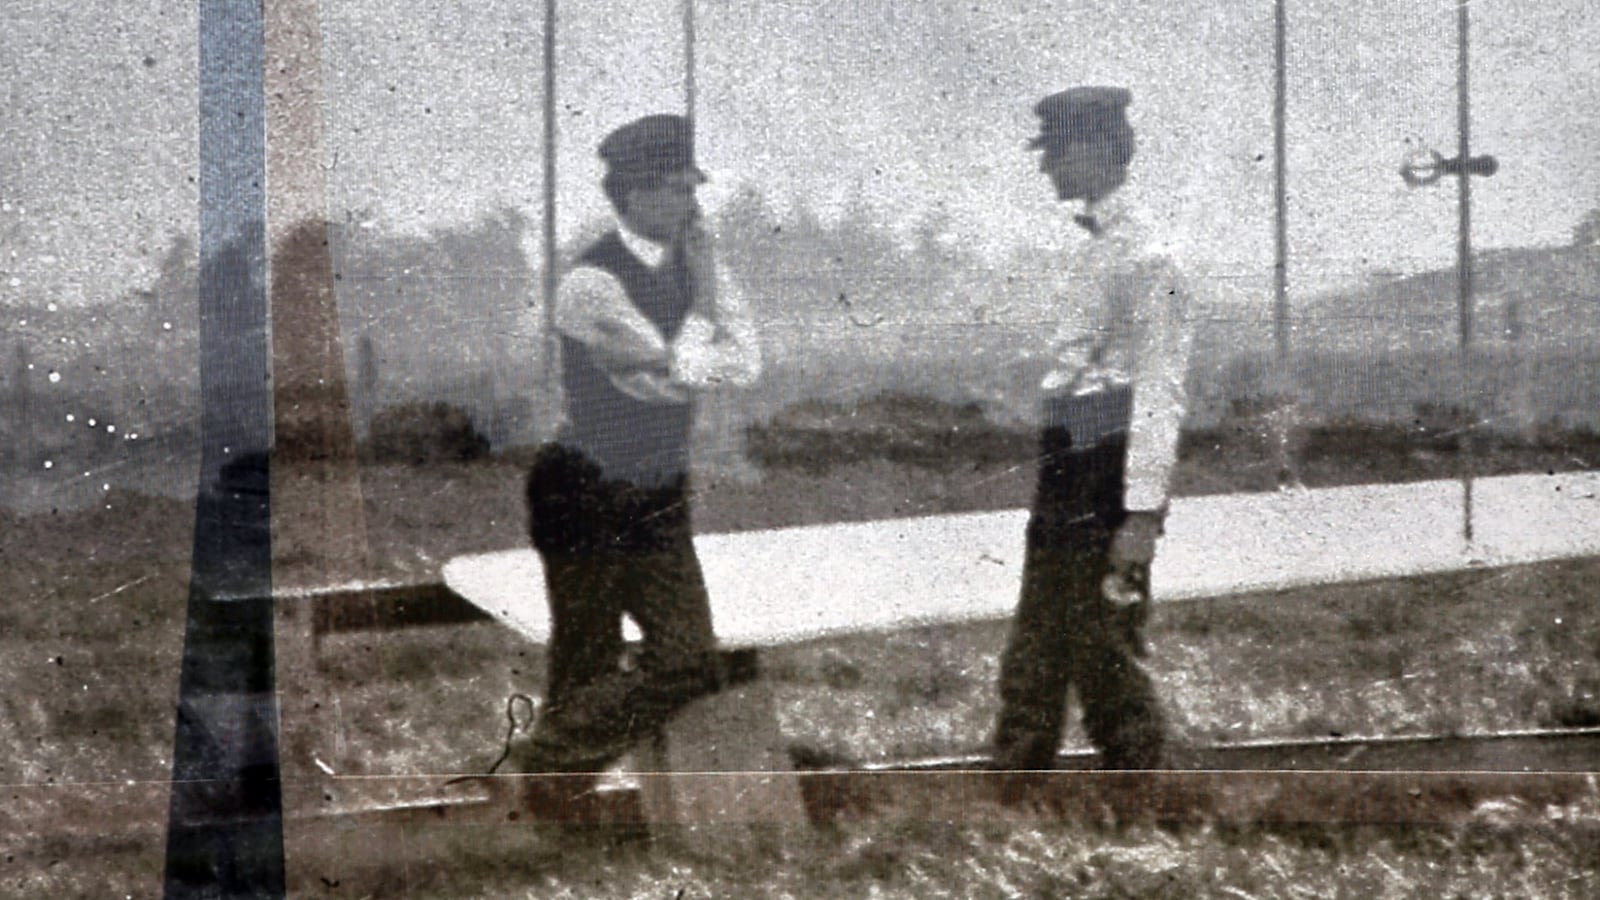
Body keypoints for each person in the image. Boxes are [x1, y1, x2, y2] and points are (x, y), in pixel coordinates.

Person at [510, 113, 761, 777]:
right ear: (635, 194)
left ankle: (546, 767)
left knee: (688, 656)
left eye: (692, 187)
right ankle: (560, 807)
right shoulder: (589, 284)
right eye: (678, 189)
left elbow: (744, 364)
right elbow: (681, 364)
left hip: (658, 490)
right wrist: (698, 318)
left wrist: (684, 353)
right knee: (585, 655)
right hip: (583, 489)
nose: (693, 204)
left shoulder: (700, 266)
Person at [990, 87, 1193, 778]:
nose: (1048, 169)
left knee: (1102, 646)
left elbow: (1161, 392)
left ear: (1100, 149)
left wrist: (1140, 513)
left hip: (1108, 465)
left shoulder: (1150, 258)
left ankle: (1145, 804)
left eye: (1058, 152)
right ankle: (1012, 801)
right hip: (1068, 456)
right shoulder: (1094, 248)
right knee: (1037, 644)